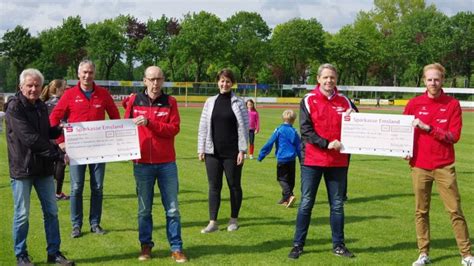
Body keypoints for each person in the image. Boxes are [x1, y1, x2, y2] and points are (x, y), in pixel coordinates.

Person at [404, 63, 473, 266]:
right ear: (424, 81)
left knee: (454, 211)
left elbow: (453, 136)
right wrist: (403, 150)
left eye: (436, 79)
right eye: (429, 79)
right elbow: (402, 132)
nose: (433, 83)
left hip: (444, 166)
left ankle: (466, 255)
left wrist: (429, 128)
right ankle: (423, 253)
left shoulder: (452, 105)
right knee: (421, 211)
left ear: (442, 80)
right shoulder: (414, 104)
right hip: (419, 166)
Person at [5, 68, 74, 265]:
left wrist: (59, 129)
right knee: (22, 215)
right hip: (23, 169)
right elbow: (30, 139)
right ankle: (21, 255)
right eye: (30, 85)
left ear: (42, 87)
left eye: (37, 85)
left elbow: (44, 133)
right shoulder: (14, 107)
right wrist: (57, 154)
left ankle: (54, 252)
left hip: (43, 169)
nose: (33, 89)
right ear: (21, 86)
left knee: (52, 212)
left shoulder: (41, 107)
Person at [288, 63, 355, 259]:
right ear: (318, 79)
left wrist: (355, 117)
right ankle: (298, 245)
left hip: (338, 162)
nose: (329, 81)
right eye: (325, 77)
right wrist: (326, 144)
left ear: (336, 80)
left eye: (332, 77)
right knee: (306, 203)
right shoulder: (308, 100)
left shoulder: (346, 101)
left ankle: (339, 245)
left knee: (337, 205)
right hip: (312, 160)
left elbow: (360, 126)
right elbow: (306, 131)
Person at [50, 59, 120, 238]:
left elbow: (116, 118)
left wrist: (119, 141)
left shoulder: (103, 94)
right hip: (77, 150)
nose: (87, 76)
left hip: (99, 150)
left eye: (90, 72)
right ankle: (76, 225)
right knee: (76, 187)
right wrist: (61, 142)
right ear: (78, 75)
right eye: (84, 73)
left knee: (97, 187)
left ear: (94, 74)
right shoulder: (69, 94)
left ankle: (95, 223)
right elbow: (54, 119)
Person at [124, 66, 187, 263]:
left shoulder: (171, 102)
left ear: (163, 80)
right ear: (144, 81)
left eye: (159, 79)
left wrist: (150, 123)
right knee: (144, 209)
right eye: (151, 79)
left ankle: (176, 248)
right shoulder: (134, 101)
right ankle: (145, 246)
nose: (155, 83)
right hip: (142, 163)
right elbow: (124, 127)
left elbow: (173, 129)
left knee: (173, 209)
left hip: (166, 163)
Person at [197, 68, 249, 233]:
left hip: (233, 152)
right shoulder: (210, 101)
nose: (224, 84)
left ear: (232, 83)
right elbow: (203, 127)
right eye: (222, 80)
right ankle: (213, 222)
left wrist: (242, 150)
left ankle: (233, 219)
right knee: (214, 187)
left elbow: (244, 127)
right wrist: (201, 148)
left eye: (228, 81)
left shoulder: (239, 102)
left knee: (234, 185)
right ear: (217, 82)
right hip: (213, 151)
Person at [257, 109, 301, 208]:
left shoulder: (279, 130)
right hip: (292, 159)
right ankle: (285, 199)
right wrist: (302, 159)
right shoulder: (294, 131)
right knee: (290, 179)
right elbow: (299, 146)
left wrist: (261, 155)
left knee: (281, 179)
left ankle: (289, 195)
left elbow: (269, 143)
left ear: (282, 118)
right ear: (294, 120)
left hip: (282, 158)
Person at [41, 79, 69, 201]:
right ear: (57, 89)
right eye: (64, 87)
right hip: (59, 136)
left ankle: (49, 192)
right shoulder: (61, 103)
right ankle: (57, 193)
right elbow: (63, 122)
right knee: (60, 164)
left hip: (47, 137)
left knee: (51, 165)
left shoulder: (45, 103)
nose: (65, 89)